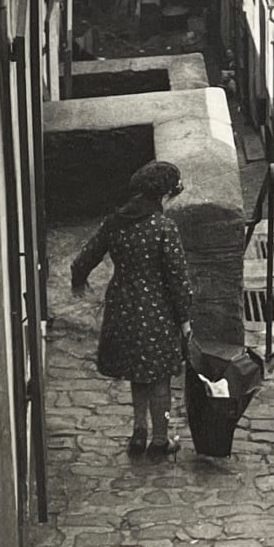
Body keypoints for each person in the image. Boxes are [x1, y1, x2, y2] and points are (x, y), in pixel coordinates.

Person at [71, 160, 194, 458]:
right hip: (157, 309)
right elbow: (177, 278)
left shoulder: (116, 222)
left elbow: (85, 258)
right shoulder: (163, 227)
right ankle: (161, 440)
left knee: (138, 374)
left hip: (123, 306)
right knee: (160, 375)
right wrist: (185, 319)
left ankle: (139, 434)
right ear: (163, 194)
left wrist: (80, 283)